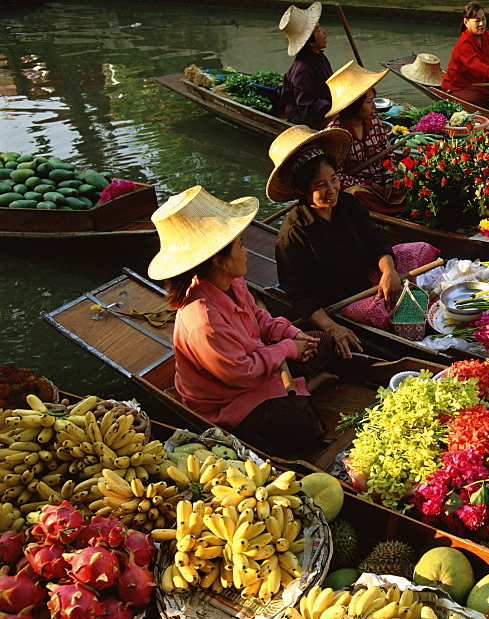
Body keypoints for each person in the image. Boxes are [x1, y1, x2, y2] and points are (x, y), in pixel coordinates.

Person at [147, 186, 340, 455]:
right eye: (240, 245)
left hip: (260, 363)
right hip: (227, 398)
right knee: (307, 428)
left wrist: (292, 334)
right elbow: (240, 374)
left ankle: (295, 390)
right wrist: (285, 349)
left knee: (323, 341)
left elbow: (260, 318)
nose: (246, 251)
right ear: (219, 261)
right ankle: (301, 390)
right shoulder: (204, 320)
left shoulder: (233, 281)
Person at [267, 125, 440, 335]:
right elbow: (300, 295)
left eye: (334, 179)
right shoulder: (293, 234)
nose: (332, 190)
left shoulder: (348, 203)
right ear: (303, 190)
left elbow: (376, 240)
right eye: (320, 185)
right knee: (382, 313)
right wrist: (332, 327)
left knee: (420, 249)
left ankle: (406, 293)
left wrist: (389, 271)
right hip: (344, 298)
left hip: (370, 273)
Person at [323, 61, 405, 214]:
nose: (373, 106)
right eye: (369, 102)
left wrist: (389, 180)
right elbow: (336, 176)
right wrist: (369, 185)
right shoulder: (336, 134)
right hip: (361, 187)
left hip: (382, 184)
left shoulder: (374, 121)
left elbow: (388, 154)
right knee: (357, 195)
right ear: (354, 106)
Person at [440, 2, 489, 110]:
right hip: (460, 86)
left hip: (482, 81)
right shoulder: (464, 44)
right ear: (466, 22)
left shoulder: (486, 36)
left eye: (483, 19)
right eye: (477, 20)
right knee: (481, 100)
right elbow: (477, 67)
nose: (481, 24)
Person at [277, 2, 333, 129]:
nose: (324, 33)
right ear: (310, 42)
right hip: (305, 120)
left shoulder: (319, 57)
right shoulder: (302, 69)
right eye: (318, 30)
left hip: (326, 109)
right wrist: (334, 106)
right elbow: (307, 106)